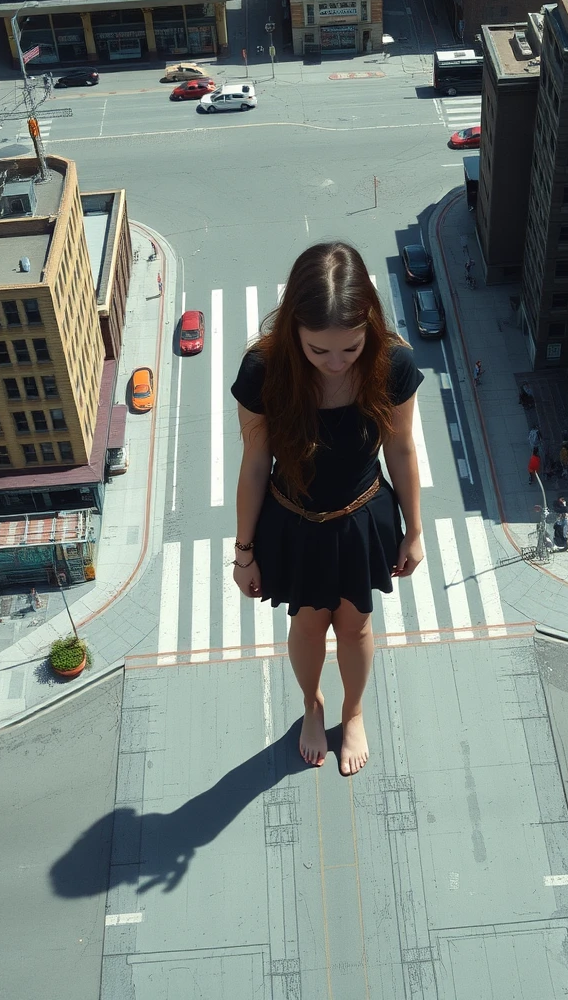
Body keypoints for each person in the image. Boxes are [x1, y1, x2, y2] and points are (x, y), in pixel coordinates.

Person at [231, 242, 424, 777]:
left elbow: (402, 449)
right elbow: (253, 464)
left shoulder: (393, 364)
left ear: (370, 328)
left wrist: (415, 531)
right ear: (294, 330)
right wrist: (243, 553)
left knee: (357, 627)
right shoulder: (263, 371)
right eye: (319, 351)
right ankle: (312, 705)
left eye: (351, 348)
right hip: (292, 522)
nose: (336, 363)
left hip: (363, 517)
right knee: (307, 624)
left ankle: (353, 710)